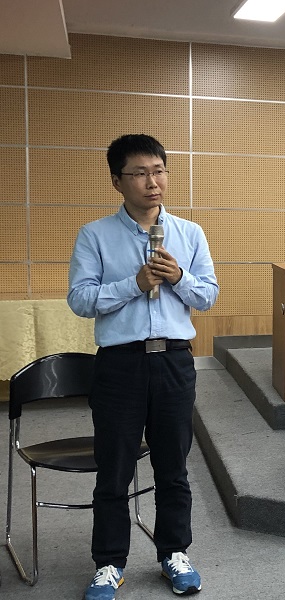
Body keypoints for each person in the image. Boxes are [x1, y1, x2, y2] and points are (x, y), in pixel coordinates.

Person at [68, 134, 218, 600]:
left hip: (174, 361)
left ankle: (174, 552)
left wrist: (179, 278)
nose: (153, 182)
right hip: (120, 365)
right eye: (140, 173)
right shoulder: (95, 235)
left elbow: (208, 295)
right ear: (117, 181)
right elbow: (80, 300)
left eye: (159, 171)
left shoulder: (189, 233)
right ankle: (109, 563)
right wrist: (132, 284)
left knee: (174, 466)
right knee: (113, 469)